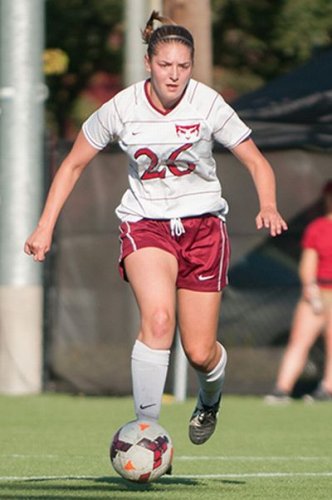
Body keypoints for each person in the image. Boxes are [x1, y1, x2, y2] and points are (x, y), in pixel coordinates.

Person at [24, 11, 288, 445]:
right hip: (145, 224)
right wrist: (44, 227)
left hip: (204, 228)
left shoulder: (207, 103)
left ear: (192, 66)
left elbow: (257, 161)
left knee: (201, 352)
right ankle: (146, 434)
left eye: (184, 66)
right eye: (165, 65)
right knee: (159, 319)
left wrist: (270, 204)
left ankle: (209, 399)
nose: (175, 75)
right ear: (148, 63)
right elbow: (72, 165)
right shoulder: (122, 108)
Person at [266, 180, 332, 404]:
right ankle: (281, 389)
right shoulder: (318, 227)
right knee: (299, 340)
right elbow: (308, 264)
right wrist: (310, 289)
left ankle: (328, 389)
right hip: (318, 291)